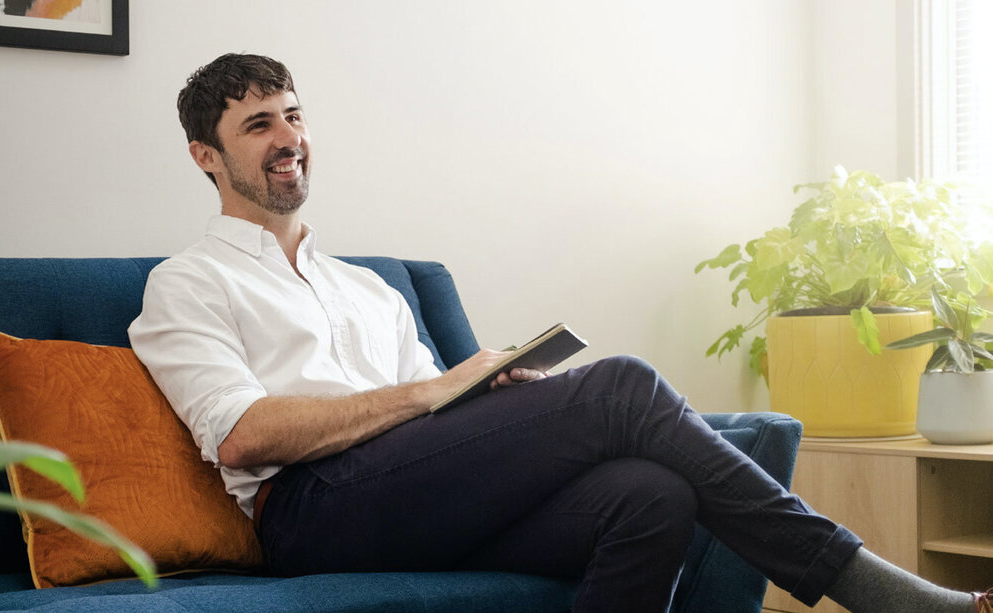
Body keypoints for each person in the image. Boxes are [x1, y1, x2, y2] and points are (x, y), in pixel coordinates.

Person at [127, 52, 993, 613]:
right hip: (309, 514)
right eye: (258, 125)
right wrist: (435, 389)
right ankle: (873, 589)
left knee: (651, 494)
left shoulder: (369, 288)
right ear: (207, 156)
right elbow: (239, 436)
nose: (289, 139)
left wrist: (480, 395)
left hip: (406, 493)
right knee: (621, 387)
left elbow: (429, 438)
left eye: (293, 115)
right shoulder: (188, 283)